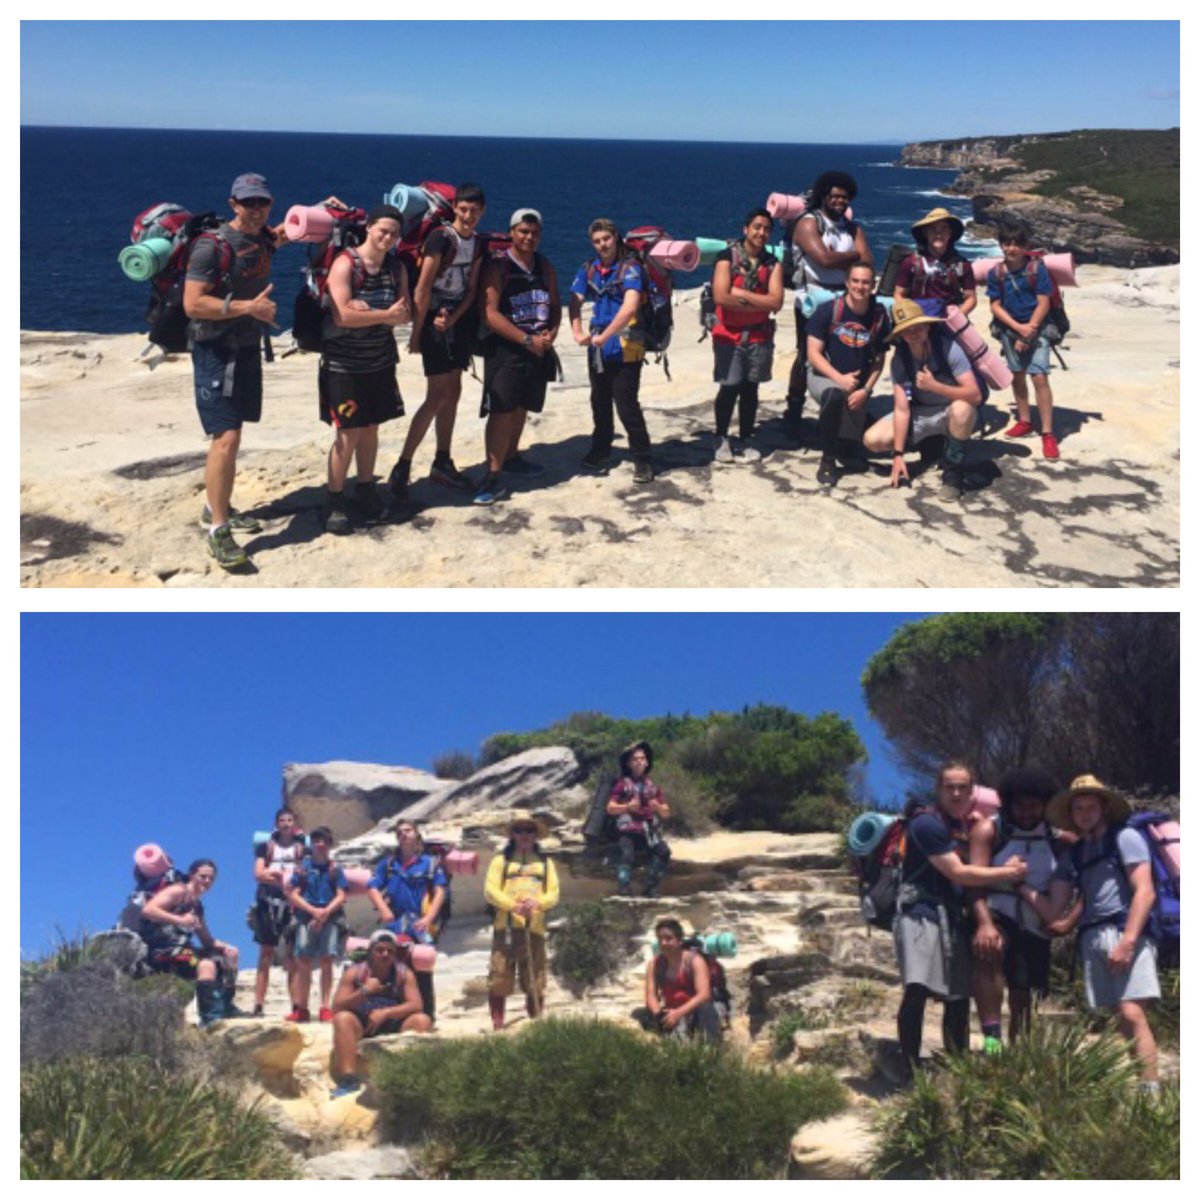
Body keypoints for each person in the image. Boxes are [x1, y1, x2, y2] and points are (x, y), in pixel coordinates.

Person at [1021, 775, 1162, 1089]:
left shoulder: (1125, 838)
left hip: (1127, 931)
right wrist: (1020, 886)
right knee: (1121, 1015)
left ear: (1104, 808)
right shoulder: (1074, 855)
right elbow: (1054, 908)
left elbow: (1145, 892)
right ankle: (1145, 1086)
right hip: (1093, 938)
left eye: (1090, 806)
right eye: (1078, 808)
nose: (1084, 813)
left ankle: (1151, 1094)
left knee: (1131, 1011)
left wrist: (1128, 940)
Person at [891, 762, 1027, 1083]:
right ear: (938, 790)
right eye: (949, 787)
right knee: (918, 988)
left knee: (959, 995)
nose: (955, 793)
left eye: (962, 787)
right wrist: (1009, 873)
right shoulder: (926, 824)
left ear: (972, 792)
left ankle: (960, 1064)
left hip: (953, 918)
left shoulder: (964, 829)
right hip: (920, 912)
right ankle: (910, 1070)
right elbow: (959, 873)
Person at [182, 173, 291, 569]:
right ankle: (218, 530)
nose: (257, 209)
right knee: (225, 437)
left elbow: (281, 237)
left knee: (235, 432)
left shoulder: (260, 239)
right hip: (216, 351)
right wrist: (248, 309)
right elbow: (192, 304)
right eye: (249, 203)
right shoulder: (210, 248)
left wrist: (319, 213)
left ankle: (216, 506)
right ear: (233, 204)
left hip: (245, 348)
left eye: (263, 202)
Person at [389, 183, 488, 503]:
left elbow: (471, 290)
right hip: (432, 325)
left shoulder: (477, 243)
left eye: (474, 210)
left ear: (482, 211)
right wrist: (417, 334)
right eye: (463, 209)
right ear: (455, 208)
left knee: (454, 392)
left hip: (455, 325)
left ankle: (442, 460)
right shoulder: (441, 238)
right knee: (437, 395)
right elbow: (423, 287)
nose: (468, 216)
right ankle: (402, 466)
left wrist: (456, 318)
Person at [968, 767, 1077, 1051]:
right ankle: (992, 1043)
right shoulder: (989, 830)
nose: (1026, 813)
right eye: (1019, 805)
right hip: (996, 911)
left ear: (1046, 805)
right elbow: (973, 881)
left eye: (1034, 806)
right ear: (1008, 803)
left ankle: (1018, 1055)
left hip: (1035, 919)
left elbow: (1091, 883)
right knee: (988, 958)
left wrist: (1068, 921)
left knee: (1022, 991)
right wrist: (984, 923)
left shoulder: (1061, 840)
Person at [320, 204, 411, 534]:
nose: (387, 237)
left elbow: (406, 312)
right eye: (382, 230)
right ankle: (335, 500)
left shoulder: (395, 267)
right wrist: (385, 315)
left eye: (394, 233)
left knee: (371, 427)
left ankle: (366, 488)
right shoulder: (346, 264)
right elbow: (343, 316)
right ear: (369, 227)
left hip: (380, 361)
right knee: (347, 432)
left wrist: (369, 312)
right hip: (344, 365)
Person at [475, 208, 562, 506]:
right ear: (512, 232)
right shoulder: (499, 266)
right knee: (501, 408)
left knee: (522, 404)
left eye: (535, 233)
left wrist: (551, 334)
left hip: (537, 347)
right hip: (507, 348)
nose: (529, 237)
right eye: (524, 231)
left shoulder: (544, 265)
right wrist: (526, 339)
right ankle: (493, 474)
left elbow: (554, 304)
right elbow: (490, 313)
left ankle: (512, 456)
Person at [867, 297, 982, 503]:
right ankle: (933, 444)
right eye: (907, 329)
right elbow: (902, 408)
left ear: (927, 326)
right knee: (873, 440)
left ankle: (953, 475)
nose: (913, 333)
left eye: (917, 327)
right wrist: (898, 455)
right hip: (923, 412)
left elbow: (975, 395)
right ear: (900, 334)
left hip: (952, 412)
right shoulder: (900, 360)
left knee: (962, 410)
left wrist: (935, 387)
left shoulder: (948, 349)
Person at [784, 171, 873, 434]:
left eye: (844, 197)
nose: (838, 200)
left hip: (847, 298)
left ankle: (849, 409)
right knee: (807, 355)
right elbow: (823, 259)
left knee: (851, 350)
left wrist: (842, 256)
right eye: (833, 195)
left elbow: (867, 263)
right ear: (823, 196)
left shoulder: (852, 227)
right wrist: (854, 255)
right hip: (813, 298)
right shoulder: (808, 223)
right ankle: (794, 410)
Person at [568, 219, 654, 483]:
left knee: (626, 403)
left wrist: (603, 336)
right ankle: (601, 447)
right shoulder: (590, 269)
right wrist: (577, 330)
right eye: (597, 241)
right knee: (599, 399)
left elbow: (629, 308)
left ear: (616, 237)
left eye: (606, 239)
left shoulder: (631, 268)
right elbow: (574, 298)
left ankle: (642, 458)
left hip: (627, 346)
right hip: (599, 346)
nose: (602, 245)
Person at [806, 262, 892, 486]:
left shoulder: (879, 317)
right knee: (834, 396)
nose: (860, 286)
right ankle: (827, 461)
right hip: (824, 375)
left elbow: (879, 359)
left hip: (857, 384)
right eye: (855, 281)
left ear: (873, 286)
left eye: (865, 282)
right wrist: (839, 379)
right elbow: (813, 354)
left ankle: (840, 442)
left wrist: (866, 389)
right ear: (846, 283)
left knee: (851, 444)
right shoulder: (828, 311)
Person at [708, 208, 784, 464]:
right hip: (728, 336)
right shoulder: (726, 257)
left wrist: (742, 296)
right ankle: (720, 436)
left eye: (766, 229)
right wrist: (760, 302)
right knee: (729, 387)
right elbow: (720, 296)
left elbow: (776, 302)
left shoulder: (772, 263)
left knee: (751, 388)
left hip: (758, 337)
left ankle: (746, 436)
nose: (761, 233)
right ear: (746, 229)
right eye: (757, 227)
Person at [328, 928, 433, 1099]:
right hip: (362, 1023)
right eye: (380, 950)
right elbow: (337, 1006)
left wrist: (386, 1013)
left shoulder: (403, 974)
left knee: (422, 1021)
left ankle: (411, 1073)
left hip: (392, 1022)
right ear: (371, 951)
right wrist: (364, 991)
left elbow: (416, 1005)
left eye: (390, 951)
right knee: (342, 1019)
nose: (385, 954)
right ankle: (348, 1079)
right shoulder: (354, 972)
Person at [987, 220, 1059, 460]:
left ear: (1025, 246)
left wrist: (1029, 330)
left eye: (1016, 244)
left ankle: (1048, 433)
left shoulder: (1037, 269)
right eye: (1006, 243)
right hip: (1010, 329)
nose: (1011, 248)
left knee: (1039, 376)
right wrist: (1018, 329)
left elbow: (1044, 302)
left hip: (1037, 329)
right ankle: (1025, 420)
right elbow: (995, 305)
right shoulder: (995, 273)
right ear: (1000, 245)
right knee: (1017, 375)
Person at [140, 858, 241, 1026]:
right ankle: (209, 1018)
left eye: (211, 878)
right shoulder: (178, 891)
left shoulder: (197, 906)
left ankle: (226, 1007)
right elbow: (148, 910)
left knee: (226, 958)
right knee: (206, 965)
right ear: (192, 875)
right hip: (163, 950)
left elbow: (207, 940)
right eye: (203, 876)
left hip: (184, 951)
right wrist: (179, 920)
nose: (207, 881)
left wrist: (227, 948)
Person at [483, 813, 560, 1030]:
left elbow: (553, 893)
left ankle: (536, 1024)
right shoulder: (501, 861)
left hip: (534, 928)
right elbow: (490, 891)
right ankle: (498, 1025)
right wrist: (513, 905)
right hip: (505, 928)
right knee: (499, 977)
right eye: (519, 830)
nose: (524, 835)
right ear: (512, 835)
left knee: (535, 979)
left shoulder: (545, 863)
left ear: (535, 835)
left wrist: (537, 903)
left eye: (529, 830)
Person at [366, 819, 448, 1020]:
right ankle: (399, 1013)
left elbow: (440, 891)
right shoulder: (388, 864)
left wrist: (429, 918)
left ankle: (427, 1014)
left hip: (419, 924)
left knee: (422, 965)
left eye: (408, 830)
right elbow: (372, 887)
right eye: (400, 832)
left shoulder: (429, 863)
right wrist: (384, 910)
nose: (404, 834)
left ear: (417, 834)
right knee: (393, 967)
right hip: (395, 924)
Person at [283, 826, 348, 1023]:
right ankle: (302, 1007)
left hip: (327, 916)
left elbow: (342, 895)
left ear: (329, 844)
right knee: (303, 960)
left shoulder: (335, 869)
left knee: (327, 960)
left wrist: (324, 912)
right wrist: (315, 912)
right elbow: (292, 893)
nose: (320, 845)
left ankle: (325, 1006)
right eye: (317, 841)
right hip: (307, 917)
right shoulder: (303, 868)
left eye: (324, 841)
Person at [251, 806, 305, 1018]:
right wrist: (284, 877)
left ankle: (296, 1005)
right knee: (266, 952)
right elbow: (258, 874)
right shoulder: (266, 847)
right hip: (267, 901)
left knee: (292, 954)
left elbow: (304, 873)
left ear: (295, 824)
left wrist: (274, 874)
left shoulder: (301, 848)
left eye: (289, 820)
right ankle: (258, 1004)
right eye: (282, 820)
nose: (286, 823)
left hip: (291, 903)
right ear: (276, 824)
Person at [633, 918, 723, 1042]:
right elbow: (651, 996)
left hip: (693, 1010)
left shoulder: (695, 961)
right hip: (671, 1011)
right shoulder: (654, 964)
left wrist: (678, 1013)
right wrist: (659, 1014)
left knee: (705, 1010)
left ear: (679, 940)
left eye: (669, 938)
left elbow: (704, 995)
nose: (663, 943)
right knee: (641, 1014)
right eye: (660, 939)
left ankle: (712, 1050)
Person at [606, 740, 671, 897]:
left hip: (647, 829)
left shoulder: (652, 786)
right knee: (627, 854)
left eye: (642, 758)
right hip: (627, 829)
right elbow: (610, 808)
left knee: (664, 852)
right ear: (628, 763)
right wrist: (627, 807)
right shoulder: (622, 784)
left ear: (647, 762)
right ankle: (623, 888)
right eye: (635, 759)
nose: (639, 762)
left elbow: (666, 813)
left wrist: (658, 807)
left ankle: (650, 887)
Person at [892, 207, 978, 317]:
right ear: (925, 233)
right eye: (933, 229)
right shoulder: (910, 263)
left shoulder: (962, 265)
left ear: (950, 232)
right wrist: (910, 317)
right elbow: (899, 294)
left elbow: (971, 298)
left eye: (944, 228)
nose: (939, 234)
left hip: (949, 320)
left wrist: (956, 318)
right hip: (918, 319)